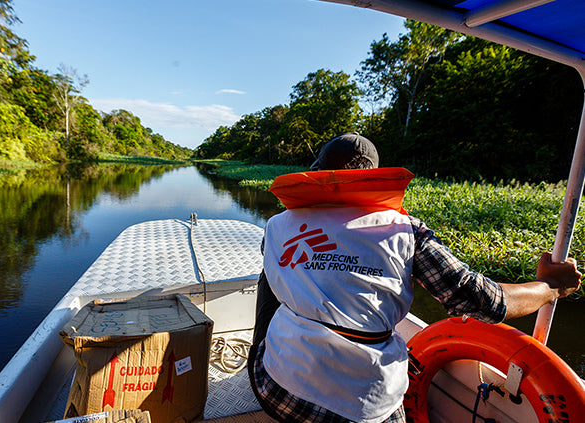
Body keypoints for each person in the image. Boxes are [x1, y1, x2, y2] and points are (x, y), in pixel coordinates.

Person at [247, 132, 582, 423]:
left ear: (318, 171)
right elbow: (484, 303)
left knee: (273, 273)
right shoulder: (405, 231)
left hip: (277, 390)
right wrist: (551, 286)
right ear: (373, 177)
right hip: (364, 411)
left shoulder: (278, 225)